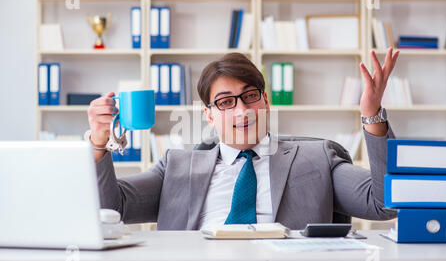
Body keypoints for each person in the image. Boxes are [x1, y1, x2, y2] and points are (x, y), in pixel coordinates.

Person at [87, 49, 400, 230]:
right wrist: (99, 144)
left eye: (250, 96)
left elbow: (384, 203)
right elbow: (111, 208)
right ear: (209, 115)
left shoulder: (317, 157)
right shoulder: (177, 166)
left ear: (265, 102)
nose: (242, 110)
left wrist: (372, 115)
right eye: (225, 102)